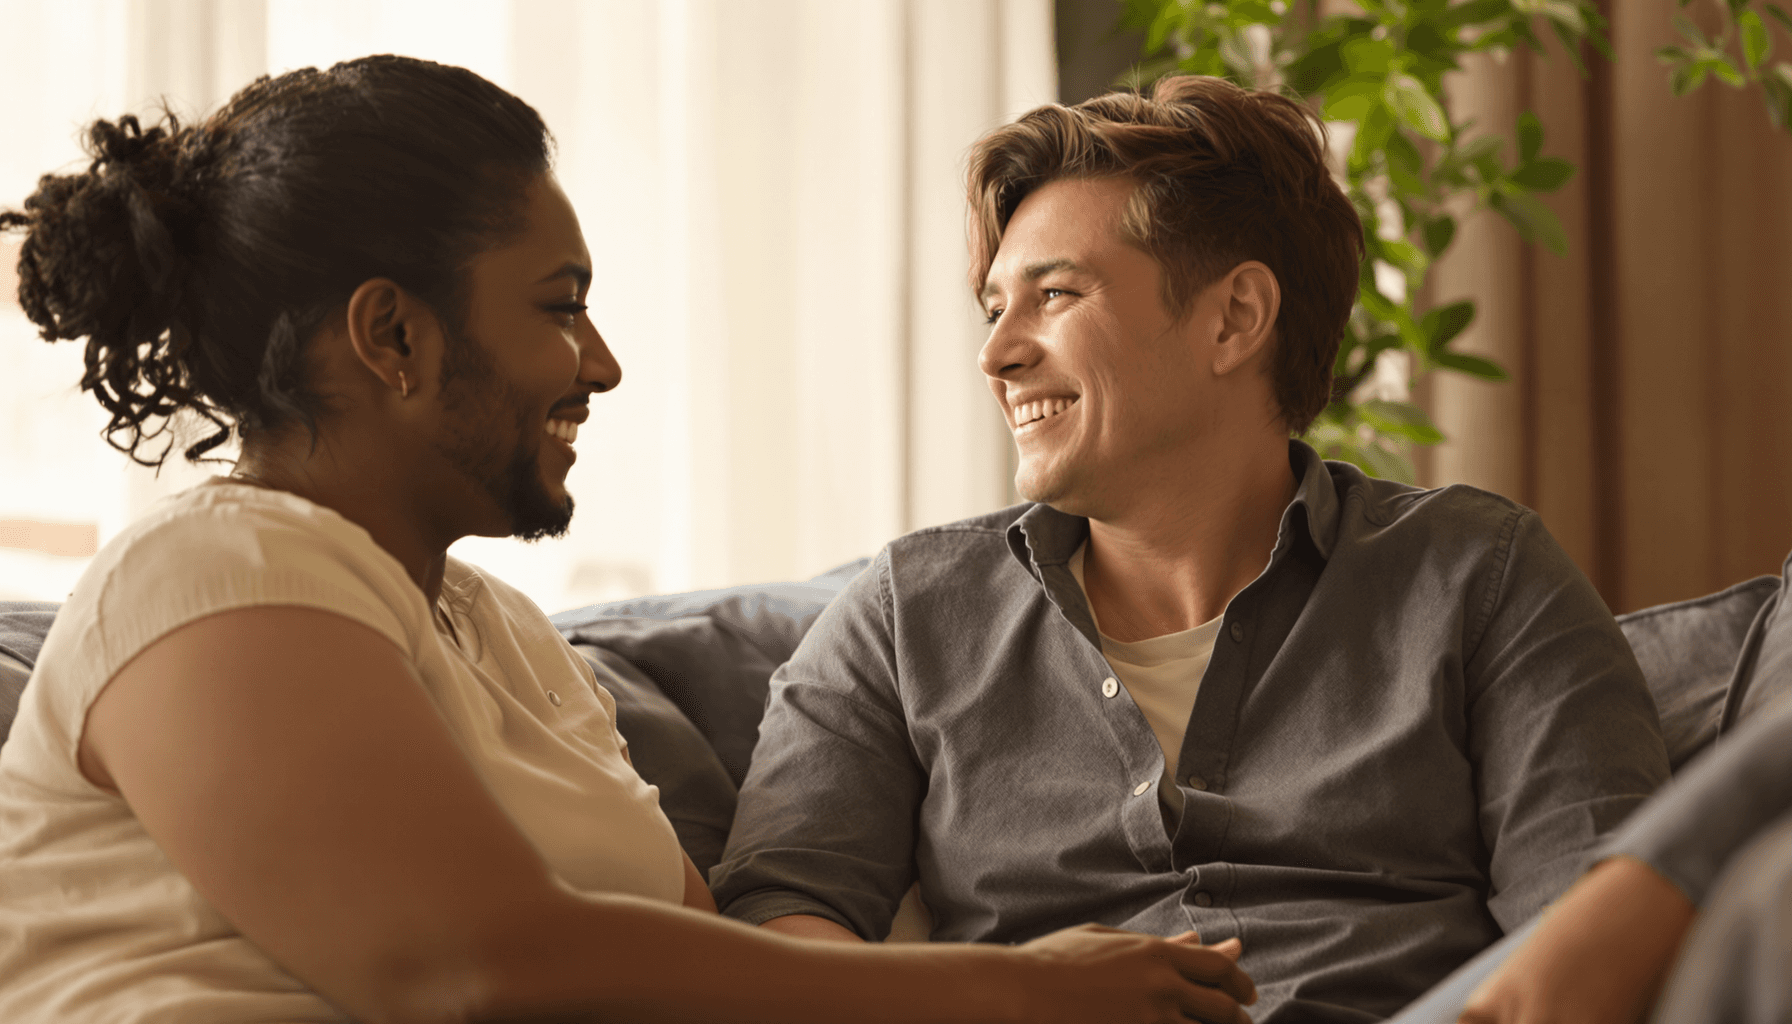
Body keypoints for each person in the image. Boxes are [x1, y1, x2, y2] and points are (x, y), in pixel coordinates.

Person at [0, 56, 1257, 1024]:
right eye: (560, 309)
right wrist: (1016, 992)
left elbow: (711, 968)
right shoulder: (213, 574)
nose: (600, 364)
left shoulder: (500, 634)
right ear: (391, 336)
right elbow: (470, 965)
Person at [709, 75, 1672, 1022]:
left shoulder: (1481, 576)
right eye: (994, 307)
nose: (998, 353)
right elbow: (773, 926)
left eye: (1054, 293)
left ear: (1234, 319)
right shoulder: (906, 617)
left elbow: (1597, 933)